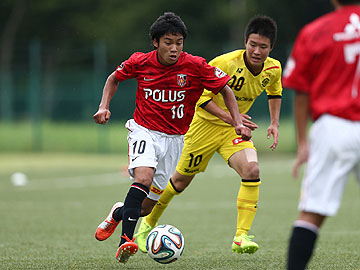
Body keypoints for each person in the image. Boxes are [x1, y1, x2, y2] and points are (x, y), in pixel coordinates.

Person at [93, 12, 251, 264]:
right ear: (156, 42)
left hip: (175, 140)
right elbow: (114, 78)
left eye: (179, 42)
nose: (174, 48)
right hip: (144, 130)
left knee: (145, 207)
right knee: (142, 177)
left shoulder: (196, 66)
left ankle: (117, 213)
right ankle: (126, 240)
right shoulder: (140, 61)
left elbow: (225, 89)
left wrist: (238, 122)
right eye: (168, 42)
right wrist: (104, 106)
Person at [135, 15, 282, 255]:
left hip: (233, 131)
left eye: (263, 47)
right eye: (252, 44)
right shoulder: (224, 63)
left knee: (252, 170)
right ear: (245, 41)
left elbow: (275, 91)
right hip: (202, 127)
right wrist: (233, 119)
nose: (257, 51)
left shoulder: (273, 68)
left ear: (271, 48)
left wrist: (274, 123)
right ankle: (147, 224)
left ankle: (241, 236)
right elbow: (200, 98)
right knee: (179, 183)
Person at [282, 0, 360, 269]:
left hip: (333, 127)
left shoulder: (316, 30)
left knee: (311, 213)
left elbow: (300, 89)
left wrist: (303, 142)